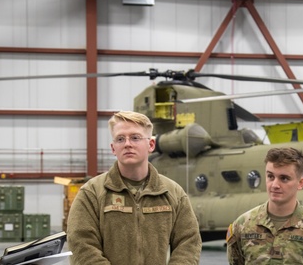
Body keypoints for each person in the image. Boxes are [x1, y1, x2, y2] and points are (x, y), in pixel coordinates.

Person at [67, 111, 202, 265]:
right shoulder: (91, 193)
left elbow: (189, 242)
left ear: (150, 144)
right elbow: (81, 246)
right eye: (120, 139)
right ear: (113, 148)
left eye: (135, 138)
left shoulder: (173, 193)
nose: (127, 144)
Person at [226, 147, 303, 264]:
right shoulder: (241, 226)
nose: (275, 185)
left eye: (284, 178)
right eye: (270, 176)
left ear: (300, 183)